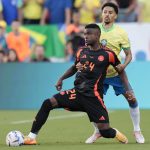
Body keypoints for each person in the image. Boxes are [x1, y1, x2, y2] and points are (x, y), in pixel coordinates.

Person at [24, 23, 129, 145]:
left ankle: (115, 133)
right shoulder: (81, 51)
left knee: (105, 131)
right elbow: (74, 67)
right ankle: (31, 137)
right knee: (48, 103)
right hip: (77, 93)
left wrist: (128, 90)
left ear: (97, 35)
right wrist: (61, 79)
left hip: (93, 97)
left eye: (89, 34)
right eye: (84, 34)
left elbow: (120, 70)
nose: (86, 36)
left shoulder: (108, 54)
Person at [85, 2, 145, 144]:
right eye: (105, 11)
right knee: (90, 103)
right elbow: (86, 50)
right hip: (97, 75)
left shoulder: (120, 33)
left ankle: (137, 130)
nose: (107, 14)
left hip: (116, 74)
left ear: (115, 15)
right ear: (102, 13)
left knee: (132, 99)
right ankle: (98, 130)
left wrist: (123, 65)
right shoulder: (94, 29)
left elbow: (129, 54)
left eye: (110, 12)